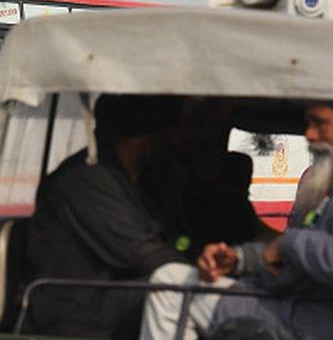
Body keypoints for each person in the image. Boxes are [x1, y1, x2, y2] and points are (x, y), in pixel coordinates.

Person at [139, 102, 333, 340]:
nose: (309, 134)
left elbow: (296, 246)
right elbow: (286, 252)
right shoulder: (319, 186)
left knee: (168, 286)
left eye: (320, 123)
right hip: (286, 301)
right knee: (174, 276)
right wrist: (238, 259)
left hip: (312, 320)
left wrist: (287, 243)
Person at [26, 95, 187, 339]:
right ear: (148, 138)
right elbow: (142, 253)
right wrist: (204, 276)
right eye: (170, 133)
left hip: (111, 302)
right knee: (181, 292)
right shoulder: (86, 179)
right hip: (80, 314)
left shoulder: (142, 181)